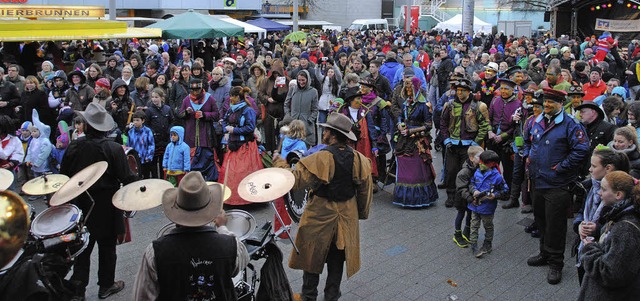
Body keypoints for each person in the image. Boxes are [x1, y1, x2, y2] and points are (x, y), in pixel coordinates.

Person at [273, 112, 373, 301]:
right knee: (337, 261)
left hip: (320, 218)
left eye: (326, 130)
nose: (324, 133)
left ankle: (309, 296)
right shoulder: (359, 159)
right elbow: (364, 192)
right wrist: (358, 214)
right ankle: (331, 297)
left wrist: (280, 162)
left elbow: (294, 181)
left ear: (332, 134)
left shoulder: (322, 158)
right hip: (346, 220)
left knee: (311, 257)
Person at [60, 102, 138, 300]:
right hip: (106, 204)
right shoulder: (113, 148)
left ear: (86, 125)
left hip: (81, 202)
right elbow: (126, 178)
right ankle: (106, 285)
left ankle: (78, 290)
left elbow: (64, 175)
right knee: (107, 247)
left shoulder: (75, 146)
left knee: (82, 248)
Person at [133, 171, 249, 300]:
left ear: (176, 210)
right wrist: (222, 227)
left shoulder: (155, 252)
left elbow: (142, 297)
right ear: (210, 210)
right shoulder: (231, 246)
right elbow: (240, 264)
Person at [525, 88, 590, 285]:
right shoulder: (537, 121)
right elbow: (529, 140)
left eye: (551, 102)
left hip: (557, 184)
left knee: (556, 225)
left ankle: (556, 263)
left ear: (561, 103)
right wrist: (528, 155)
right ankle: (544, 253)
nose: (546, 105)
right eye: (545, 102)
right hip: (538, 181)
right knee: (541, 220)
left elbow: (582, 149)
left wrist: (562, 166)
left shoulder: (571, 124)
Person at [577, 170, 640, 300]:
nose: (599, 193)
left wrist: (589, 249)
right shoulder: (619, 216)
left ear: (618, 194)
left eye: (604, 189)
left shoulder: (625, 229)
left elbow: (612, 274)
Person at [573, 147, 630, 284]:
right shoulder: (593, 186)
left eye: (593, 166)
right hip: (585, 250)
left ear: (608, 168)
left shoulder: (616, 198)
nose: (589, 169)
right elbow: (582, 212)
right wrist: (580, 225)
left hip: (600, 256)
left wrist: (597, 229)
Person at [390, 69, 439, 207]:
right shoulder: (406, 103)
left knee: (418, 168)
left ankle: (420, 198)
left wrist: (411, 130)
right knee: (404, 165)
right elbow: (400, 115)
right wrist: (400, 124)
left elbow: (428, 125)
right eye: (406, 88)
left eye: (410, 88)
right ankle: (403, 197)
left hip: (418, 141)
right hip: (403, 140)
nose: (408, 91)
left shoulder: (425, 105)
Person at [440, 78, 490, 208]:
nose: (459, 93)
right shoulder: (449, 105)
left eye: (463, 90)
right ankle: (451, 195)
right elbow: (443, 123)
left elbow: (484, 126)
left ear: (469, 92)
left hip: (469, 146)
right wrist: (446, 140)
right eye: (458, 90)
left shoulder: (479, 106)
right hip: (453, 145)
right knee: (451, 171)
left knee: (467, 172)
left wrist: (476, 142)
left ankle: (465, 195)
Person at [218, 86, 261, 206]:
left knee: (244, 172)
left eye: (232, 96)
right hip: (232, 145)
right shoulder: (231, 109)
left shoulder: (248, 110)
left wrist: (234, 130)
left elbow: (250, 127)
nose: (230, 98)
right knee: (231, 172)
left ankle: (247, 198)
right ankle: (231, 197)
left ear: (238, 97)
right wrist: (225, 129)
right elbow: (225, 119)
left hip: (245, 146)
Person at [468, 150, 509, 258]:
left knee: (488, 226)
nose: (480, 164)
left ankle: (487, 244)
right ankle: (474, 245)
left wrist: (495, 195)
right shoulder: (477, 172)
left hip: (487, 207)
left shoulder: (497, 177)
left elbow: (505, 190)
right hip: (475, 205)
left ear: (491, 164)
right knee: (474, 225)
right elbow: (471, 183)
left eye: (483, 163)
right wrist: (473, 191)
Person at [487, 78, 522, 207]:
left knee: (508, 170)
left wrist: (503, 136)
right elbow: (489, 118)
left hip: (507, 141)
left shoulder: (518, 104)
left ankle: (509, 194)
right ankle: (495, 189)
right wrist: (490, 131)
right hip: (492, 139)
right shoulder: (495, 100)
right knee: (492, 166)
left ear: (513, 90)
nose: (503, 91)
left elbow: (517, 127)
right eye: (501, 88)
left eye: (506, 89)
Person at [453, 145, 484, 248]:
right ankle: (457, 234)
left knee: (470, 214)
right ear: (471, 158)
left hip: (470, 197)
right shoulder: (464, 172)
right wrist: (470, 198)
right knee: (461, 214)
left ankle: (467, 232)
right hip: (462, 197)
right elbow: (461, 188)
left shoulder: (477, 167)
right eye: (480, 156)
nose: (482, 159)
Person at [145, 88, 174, 179]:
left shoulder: (167, 109)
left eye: (156, 97)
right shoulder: (149, 110)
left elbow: (172, 121)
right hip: (154, 140)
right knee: (153, 163)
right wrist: (152, 133)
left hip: (165, 139)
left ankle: (163, 179)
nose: (154, 99)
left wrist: (169, 130)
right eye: (153, 97)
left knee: (164, 162)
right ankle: (154, 179)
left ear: (161, 98)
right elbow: (146, 124)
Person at [284, 70, 319, 146]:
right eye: (299, 80)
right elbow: (286, 104)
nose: (301, 82)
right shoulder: (293, 89)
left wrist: (310, 119)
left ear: (307, 79)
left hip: (306, 125)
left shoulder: (313, 91)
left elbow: (315, 109)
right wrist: (288, 116)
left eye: (303, 80)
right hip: (293, 123)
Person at [127, 111, 155, 179]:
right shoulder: (130, 132)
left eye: (137, 120)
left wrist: (148, 156)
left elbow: (151, 144)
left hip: (145, 159)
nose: (135, 122)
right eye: (134, 120)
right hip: (134, 160)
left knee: (146, 178)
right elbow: (128, 145)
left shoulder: (147, 131)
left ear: (143, 121)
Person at [0, 115, 24, 193]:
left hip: (8, 170)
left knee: (10, 191)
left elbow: (19, 153)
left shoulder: (14, 139)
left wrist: (11, 163)